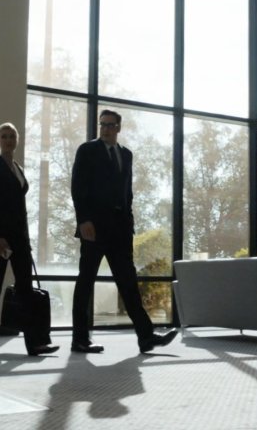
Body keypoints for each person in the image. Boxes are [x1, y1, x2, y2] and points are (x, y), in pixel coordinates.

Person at [70, 109, 177, 353]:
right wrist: (83, 220)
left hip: (120, 230)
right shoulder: (87, 150)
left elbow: (127, 193)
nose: (105, 128)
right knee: (85, 282)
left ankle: (146, 337)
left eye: (110, 125)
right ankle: (80, 339)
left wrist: (129, 224)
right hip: (93, 229)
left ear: (118, 128)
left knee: (128, 283)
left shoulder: (126, 155)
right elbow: (78, 187)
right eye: (102, 124)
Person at [0, 123, 59, 356]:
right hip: (1, 239)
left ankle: (35, 342)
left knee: (26, 289)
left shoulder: (18, 168)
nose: (8, 140)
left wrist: (26, 240)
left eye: (12, 136)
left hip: (19, 239)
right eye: (4, 136)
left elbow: (19, 208)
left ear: (17, 141)